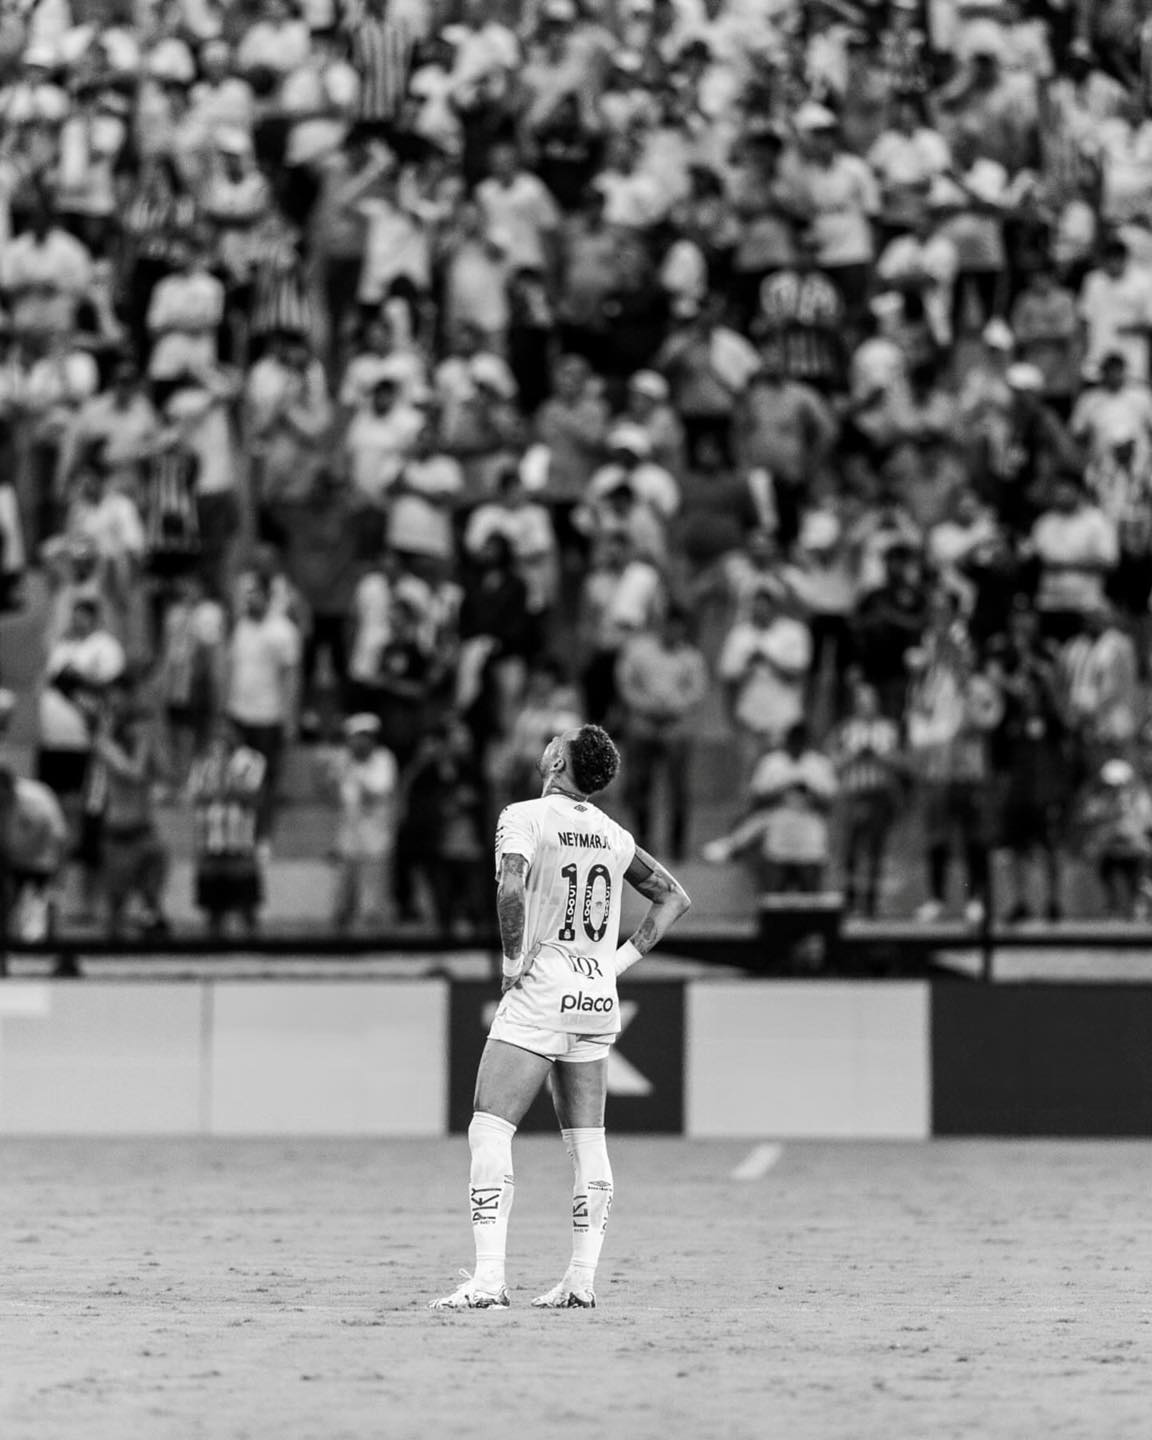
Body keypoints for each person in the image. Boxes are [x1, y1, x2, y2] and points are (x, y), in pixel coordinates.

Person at [430, 723, 691, 1311]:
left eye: (558, 741)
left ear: (556, 762)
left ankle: (489, 1280)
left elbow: (510, 889)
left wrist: (510, 962)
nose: (550, 742)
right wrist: (614, 964)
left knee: (490, 1129)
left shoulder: (523, 817)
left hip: (541, 989)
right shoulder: (613, 834)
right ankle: (580, 1280)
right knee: (588, 1140)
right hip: (596, 998)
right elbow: (674, 897)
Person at [188, 718, 266, 937]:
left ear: (238, 734)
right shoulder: (203, 761)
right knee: (213, 905)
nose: (222, 735)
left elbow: (252, 795)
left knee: (246, 902)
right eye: (218, 730)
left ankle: (252, 945)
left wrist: (225, 773)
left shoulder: (252, 760)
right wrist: (224, 788)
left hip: (239, 841)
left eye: (227, 730)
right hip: (211, 840)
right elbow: (196, 795)